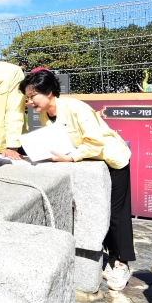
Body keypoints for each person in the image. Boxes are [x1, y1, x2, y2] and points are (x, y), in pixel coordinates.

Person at [19, 69, 135, 291]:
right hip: (88, 165)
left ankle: (121, 262)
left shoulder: (76, 108)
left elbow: (95, 142)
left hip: (111, 160)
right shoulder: (44, 115)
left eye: (33, 96)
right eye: (27, 97)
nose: (29, 101)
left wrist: (70, 157)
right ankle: (106, 256)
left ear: (49, 92)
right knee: (98, 213)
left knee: (116, 214)